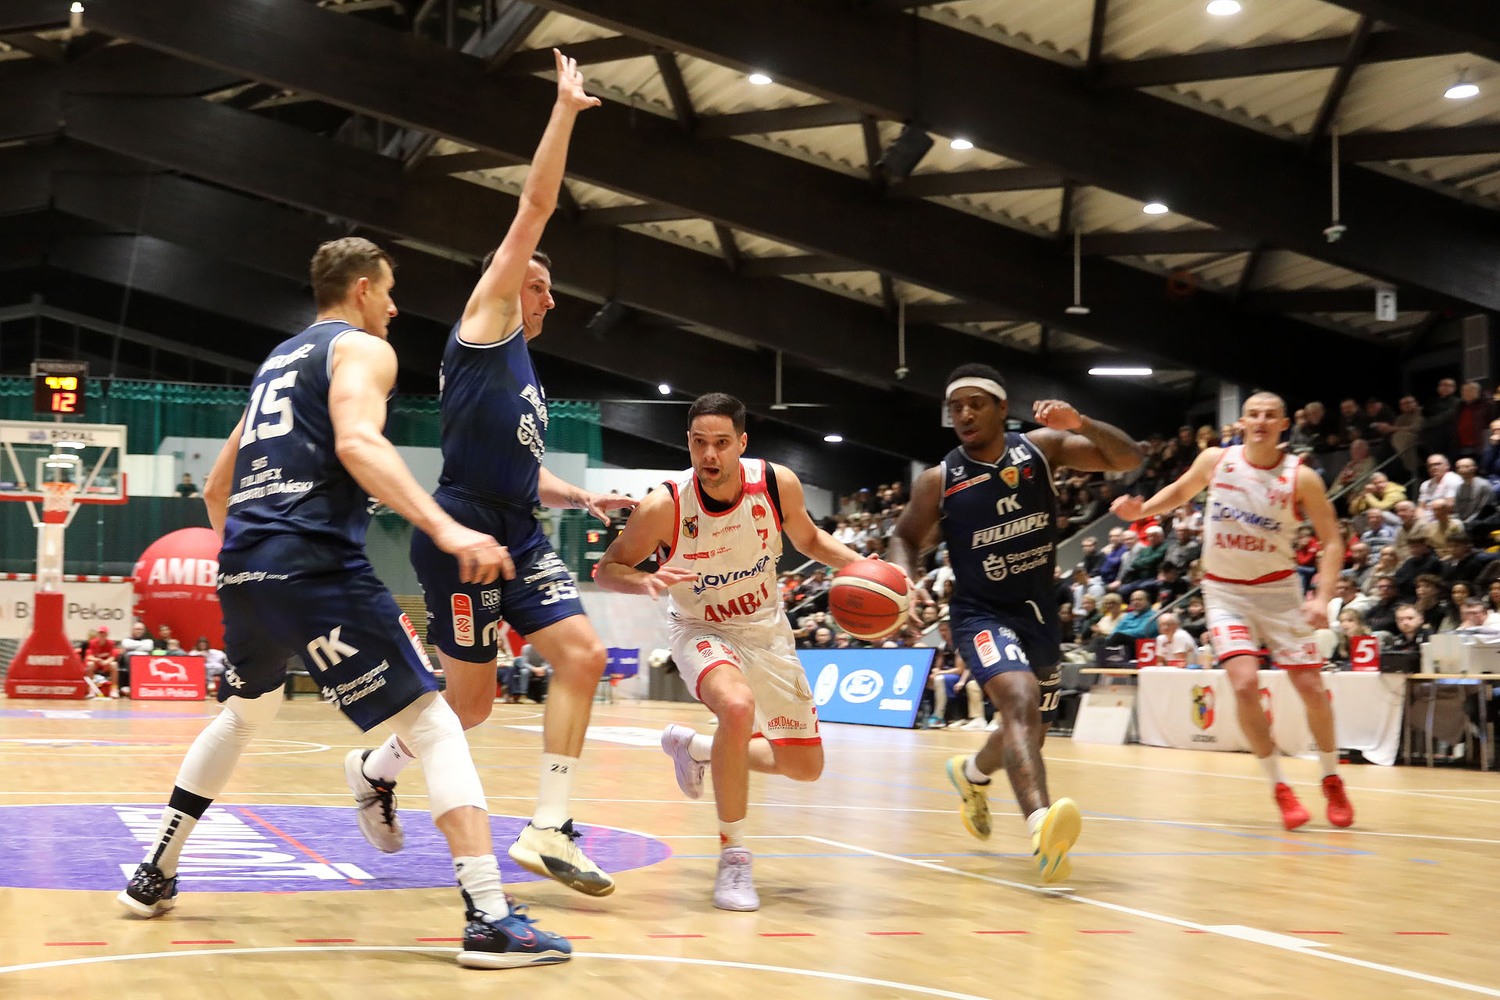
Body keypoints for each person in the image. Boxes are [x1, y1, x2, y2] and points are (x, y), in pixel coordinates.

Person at [116, 237, 570, 967]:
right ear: (361, 290)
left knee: (244, 713)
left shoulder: (276, 363)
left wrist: (255, 560)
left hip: (243, 566)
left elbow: (217, 488)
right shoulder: (360, 349)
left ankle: (153, 873)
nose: (394, 309)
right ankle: (489, 918)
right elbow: (359, 443)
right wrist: (446, 527)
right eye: (388, 292)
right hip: (315, 563)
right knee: (437, 724)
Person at [346, 54, 627, 898]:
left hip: (518, 528)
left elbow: (521, 471)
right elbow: (534, 208)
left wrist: (581, 495)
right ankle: (375, 767)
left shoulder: (524, 374)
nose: (544, 296)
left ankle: (549, 826)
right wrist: (565, 112)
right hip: (462, 530)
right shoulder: (485, 321)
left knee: (583, 656)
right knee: (468, 707)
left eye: (544, 288)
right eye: (533, 282)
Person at [594, 393, 865, 910]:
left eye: (721, 443)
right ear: (688, 443)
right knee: (737, 708)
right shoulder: (665, 506)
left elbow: (810, 540)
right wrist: (642, 581)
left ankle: (697, 748)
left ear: (742, 443)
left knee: (805, 766)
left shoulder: (776, 484)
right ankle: (734, 856)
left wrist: (867, 568)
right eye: (699, 442)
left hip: (766, 630)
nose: (709, 454)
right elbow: (608, 569)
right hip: (700, 627)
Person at [888, 363, 1140, 883]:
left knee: (1029, 732)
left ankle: (972, 773)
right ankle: (1041, 829)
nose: (964, 414)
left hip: (1039, 612)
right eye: (956, 407)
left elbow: (1129, 458)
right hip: (980, 614)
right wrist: (904, 578)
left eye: (975, 404)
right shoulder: (940, 479)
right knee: (1020, 700)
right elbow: (905, 537)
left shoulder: (1042, 449)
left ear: (1003, 408)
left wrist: (1081, 423)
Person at [1111, 391, 1355, 831]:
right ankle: (1280, 787)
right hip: (1225, 592)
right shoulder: (1216, 460)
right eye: (1253, 415)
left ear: (1284, 425)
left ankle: (1331, 776)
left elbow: (1332, 540)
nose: (1261, 421)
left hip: (1279, 592)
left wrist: (1322, 596)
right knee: (1244, 685)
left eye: (1270, 415)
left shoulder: (1301, 477)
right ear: (1241, 423)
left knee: (1312, 688)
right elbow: (1181, 491)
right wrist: (1141, 510)